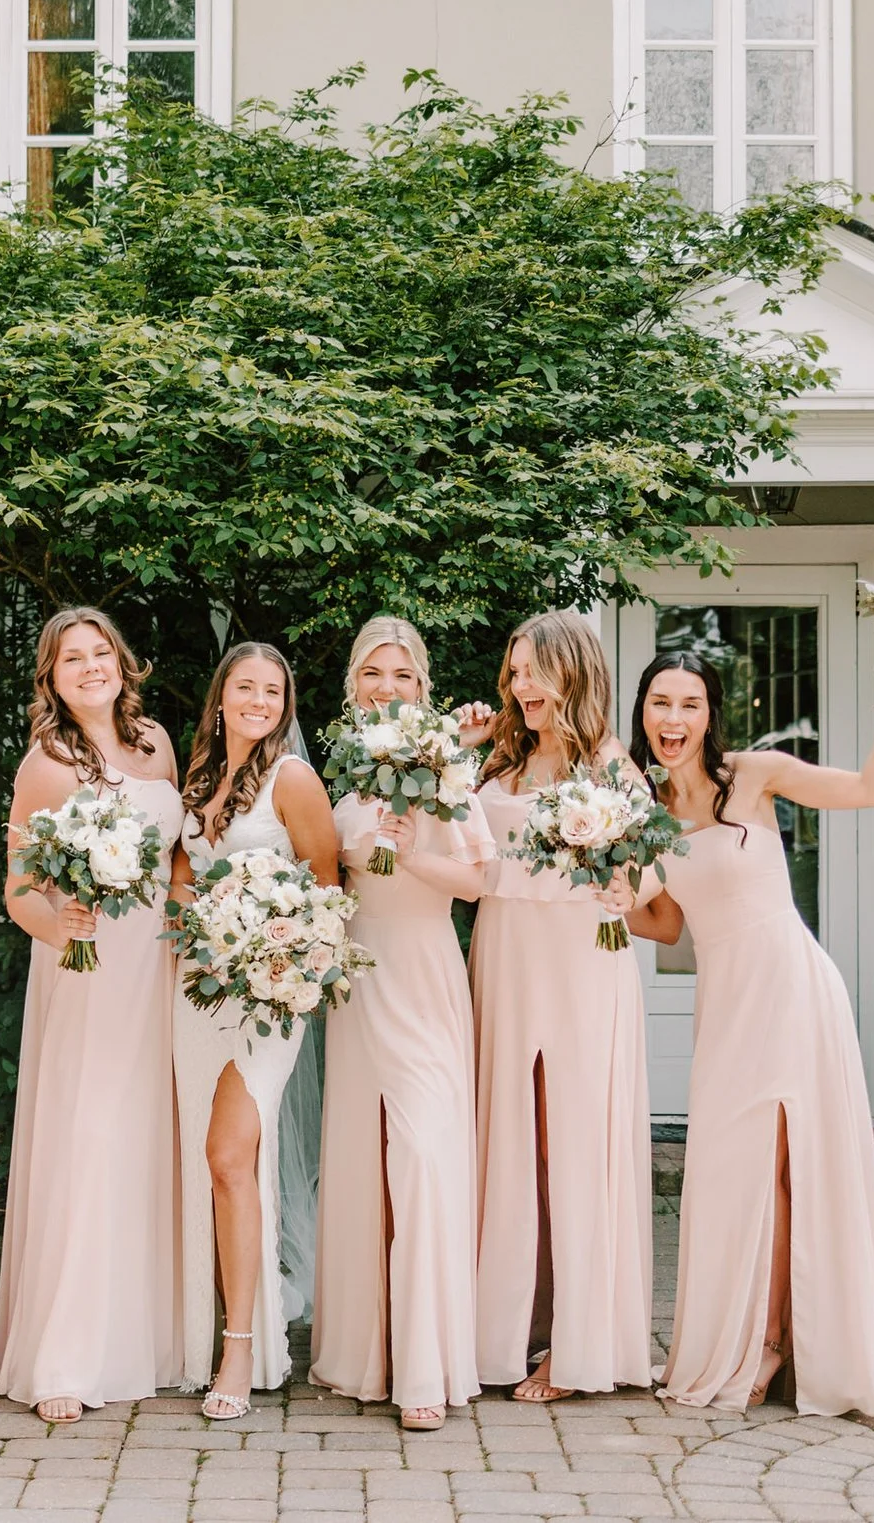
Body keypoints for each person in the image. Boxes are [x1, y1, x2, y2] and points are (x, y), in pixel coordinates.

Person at [622, 648, 874, 1418]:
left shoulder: (752, 775)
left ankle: (775, 1342)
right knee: (733, 1175)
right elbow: (664, 921)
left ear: (709, 713)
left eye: (690, 704)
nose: (674, 720)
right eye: (661, 703)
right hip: (726, 1005)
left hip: (793, 988)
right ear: (643, 711)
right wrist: (604, 889)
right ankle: (758, 1336)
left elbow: (871, 788)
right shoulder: (643, 810)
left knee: (793, 1169)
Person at [0, 607, 182, 1424]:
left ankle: (143, 1340)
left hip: (156, 969)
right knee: (86, 1138)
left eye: (100, 652)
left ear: (121, 661)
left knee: (142, 1139)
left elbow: (176, 860)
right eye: (73, 658)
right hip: (86, 966)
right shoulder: (47, 763)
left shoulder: (157, 745)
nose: (91, 666)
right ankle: (64, 1352)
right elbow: (17, 888)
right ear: (52, 676)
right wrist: (58, 921)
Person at [460, 610, 649, 1403]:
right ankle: (515, 1323)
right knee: (513, 1142)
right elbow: (454, 840)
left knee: (570, 1146)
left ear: (572, 673)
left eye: (533, 670)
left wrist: (622, 886)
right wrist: (459, 751)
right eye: (513, 671)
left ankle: (574, 1345)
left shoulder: (613, 768)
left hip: (580, 963)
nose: (519, 685)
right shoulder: (501, 757)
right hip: (505, 955)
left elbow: (646, 878)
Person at [310, 617, 487, 1431]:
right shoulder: (338, 778)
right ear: (355, 683)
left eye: (405, 675)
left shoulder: (449, 768)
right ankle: (363, 1353)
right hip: (358, 982)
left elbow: (480, 880)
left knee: (423, 1154)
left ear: (424, 687)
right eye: (375, 673)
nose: (389, 686)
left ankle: (425, 1363)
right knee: (362, 1165)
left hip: (424, 976)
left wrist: (411, 851)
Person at [171, 641, 340, 1419]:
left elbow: (327, 887)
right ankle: (221, 1324)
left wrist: (278, 955)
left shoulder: (292, 779)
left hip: (268, 997)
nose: (260, 700)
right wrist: (192, 921)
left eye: (274, 690)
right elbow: (182, 872)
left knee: (229, 1155)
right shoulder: (199, 774)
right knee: (208, 1164)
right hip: (199, 990)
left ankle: (243, 1348)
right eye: (246, 685)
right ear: (221, 695)